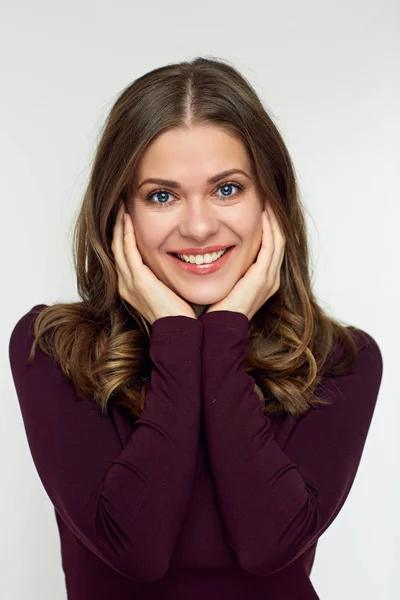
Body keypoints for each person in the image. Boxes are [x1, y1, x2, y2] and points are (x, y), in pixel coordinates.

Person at [8, 56, 383, 600]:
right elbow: (136, 550)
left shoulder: (342, 360)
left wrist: (224, 330)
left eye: (228, 189)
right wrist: (177, 335)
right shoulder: (52, 349)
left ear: (269, 204)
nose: (200, 225)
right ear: (119, 213)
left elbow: (268, 545)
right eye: (162, 195)